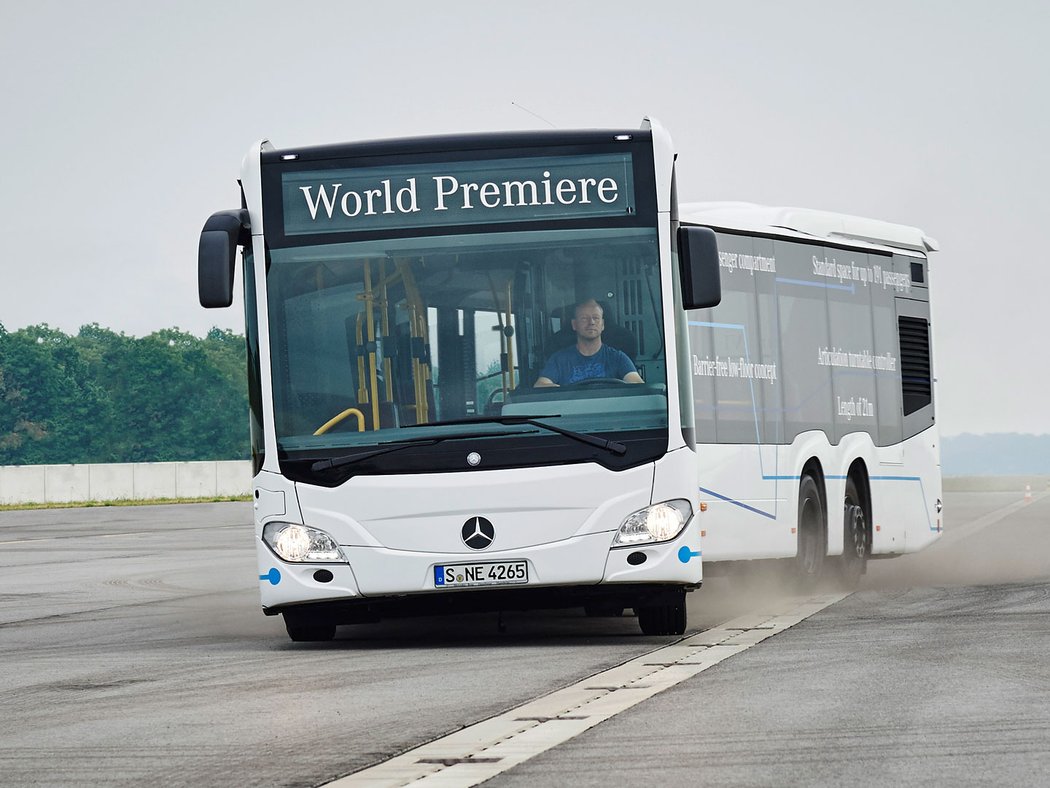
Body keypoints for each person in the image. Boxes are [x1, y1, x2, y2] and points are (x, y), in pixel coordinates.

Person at [535, 299, 644, 386]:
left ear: (603, 325)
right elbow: (541, 385)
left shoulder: (618, 358)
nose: (591, 322)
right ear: (574, 324)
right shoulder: (559, 359)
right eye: (584, 318)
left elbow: (637, 384)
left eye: (596, 318)